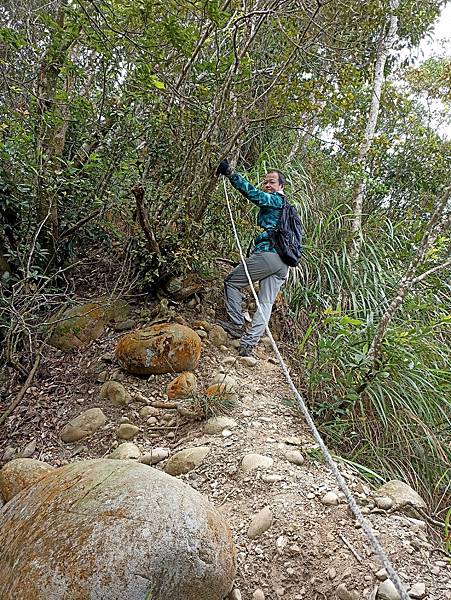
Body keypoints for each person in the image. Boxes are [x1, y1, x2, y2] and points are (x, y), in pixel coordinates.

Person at [216, 159, 289, 357]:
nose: (267, 185)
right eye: (266, 181)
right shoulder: (290, 210)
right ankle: (248, 344)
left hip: (269, 254)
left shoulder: (277, 200)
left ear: (281, 186)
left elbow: (255, 195)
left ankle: (236, 324)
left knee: (231, 282)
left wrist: (231, 174)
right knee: (265, 303)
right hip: (284, 263)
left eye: (272, 182)